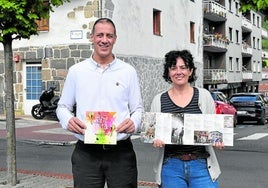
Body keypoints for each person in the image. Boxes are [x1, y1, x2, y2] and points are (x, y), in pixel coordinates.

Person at [56, 18, 143, 188]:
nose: (104, 40)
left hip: (121, 152)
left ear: (115, 39)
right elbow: (62, 107)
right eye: (100, 35)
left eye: (109, 36)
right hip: (86, 153)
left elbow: (138, 109)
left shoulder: (128, 72)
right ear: (92, 38)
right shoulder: (77, 71)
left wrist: (134, 122)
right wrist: (67, 120)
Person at [150, 50, 224, 188]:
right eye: (173, 68)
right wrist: (155, 138)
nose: (178, 72)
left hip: (202, 166)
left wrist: (217, 139)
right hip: (171, 166)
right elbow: (152, 131)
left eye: (183, 67)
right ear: (168, 72)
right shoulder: (159, 100)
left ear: (190, 71)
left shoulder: (204, 96)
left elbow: (214, 129)